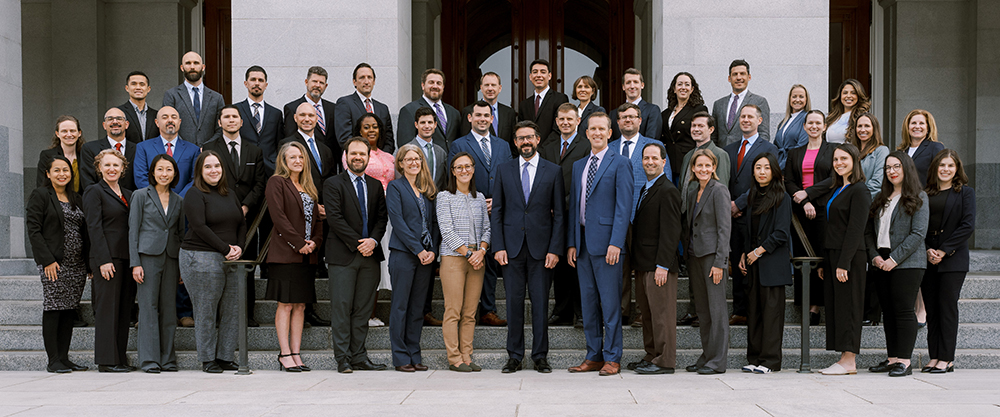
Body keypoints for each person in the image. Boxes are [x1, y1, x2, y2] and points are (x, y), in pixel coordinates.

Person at [492, 121, 565, 374]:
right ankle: (514, 356)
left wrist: (555, 249)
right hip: (510, 250)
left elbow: (559, 216)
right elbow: (498, 212)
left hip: (542, 251)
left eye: (530, 138)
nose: (525, 142)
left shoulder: (553, 171)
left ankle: (540, 356)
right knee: (513, 304)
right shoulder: (504, 170)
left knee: (541, 304)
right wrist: (498, 246)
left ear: (538, 139)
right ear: (515, 142)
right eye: (521, 138)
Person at [566, 112, 633, 377]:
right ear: (586, 133)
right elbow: (575, 207)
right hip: (582, 245)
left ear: (610, 132)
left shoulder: (621, 163)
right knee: (588, 303)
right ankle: (593, 355)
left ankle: (613, 357)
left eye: (601, 129)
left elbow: (623, 206)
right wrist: (572, 242)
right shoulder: (579, 165)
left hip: (608, 247)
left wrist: (616, 242)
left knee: (610, 303)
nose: (596, 133)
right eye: (592, 129)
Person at [178, 150, 247, 373]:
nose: (213, 170)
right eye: (207, 167)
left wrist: (239, 248)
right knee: (206, 309)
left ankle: (225, 356)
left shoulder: (230, 194)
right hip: (201, 257)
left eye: (217, 166)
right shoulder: (194, 193)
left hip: (231, 258)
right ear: (199, 171)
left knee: (232, 309)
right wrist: (225, 248)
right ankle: (208, 359)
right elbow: (198, 226)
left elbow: (241, 224)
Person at [324, 137, 389, 373]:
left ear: (368, 157)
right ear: (346, 157)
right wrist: (358, 243)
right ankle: (342, 358)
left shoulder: (374, 185)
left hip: (370, 256)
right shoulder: (333, 184)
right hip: (343, 255)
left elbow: (382, 218)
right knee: (342, 308)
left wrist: (372, 241)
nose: (358, 157)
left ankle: (359, 356)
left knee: (362, 309)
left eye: (362, 154)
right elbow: (334, 218)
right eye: (354, 154)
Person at [448, 100, 514, 327]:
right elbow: (455, 177)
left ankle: (488, 310)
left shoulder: (503, 146)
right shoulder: (458, 144)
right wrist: (472, 201)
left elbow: (509, 176)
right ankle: (470, 310)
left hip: (497, 210)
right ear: (470, 118)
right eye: (478, 115)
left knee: (491, 261)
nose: (483, 119)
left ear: (492, 118)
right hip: (469, 210)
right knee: (472, 261)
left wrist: (499, 201)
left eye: (486, 115)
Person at [202, 105, 268, 327]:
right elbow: (206, 181)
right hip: (218, 218)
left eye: (235, 117)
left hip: (247, 218)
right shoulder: (209, 148)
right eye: (226, 117)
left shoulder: (254, 150)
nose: (231, 120)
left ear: (241, 122)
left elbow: (260, 183)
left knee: (245, 267)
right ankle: (221, 316)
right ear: (219, 122)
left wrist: (247, 205)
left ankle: (247, 314)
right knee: (220, 267)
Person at [865, 152, 928, 377]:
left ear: (906, 169)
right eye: (888, 168)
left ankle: (905, 360)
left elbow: (918, 234)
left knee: (902, 310)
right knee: (888, 312)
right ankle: (892, 359)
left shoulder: (918, 196)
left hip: (908, 262)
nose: (891, 171)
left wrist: (894, 259)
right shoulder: (881, 198)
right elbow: (869, 232)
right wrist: (874, 257)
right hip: (881, 261)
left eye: (896, 166)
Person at [27, 156, 89, 373]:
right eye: (57, 170)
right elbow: (34, 230)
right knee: (54, 308)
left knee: (69, 309)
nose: (62, 174)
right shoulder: (41, 195)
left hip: (77, 265)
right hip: (54, 264)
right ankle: (53, 360)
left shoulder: (76, 198)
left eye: (66, 170)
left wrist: (88, 264)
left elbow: (84, 231)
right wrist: (47, 260)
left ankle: (64, 357)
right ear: (48, 174)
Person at [265, 142, 324, 373]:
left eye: (301, 156)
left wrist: (314, 243)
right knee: (286, 305)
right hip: (285, 254)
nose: (298, 160)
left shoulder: (309, 186)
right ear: (284, 160)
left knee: (300, 305)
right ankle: (284, 353)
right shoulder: (277, 182)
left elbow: (318, 221)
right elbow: (278, 217)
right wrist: (299, 243)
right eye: (293, 157)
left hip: (307, 256)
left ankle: (296, 353)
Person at [628, 142, 682, 375]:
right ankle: (651, 355)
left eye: (654, 158)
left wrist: (662, 265)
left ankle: (665, 360)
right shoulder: (646, 188)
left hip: (658, 266)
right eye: (646, 158)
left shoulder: (668, 190)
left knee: (662, 315)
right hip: (643, 263)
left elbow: (671, 232)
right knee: (648, 313)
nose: (650, 162)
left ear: (664, 161)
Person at [282, 102, 336, 328]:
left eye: (311, 115)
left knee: (312, 265)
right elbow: (288, 179)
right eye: (302, 115)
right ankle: (303, 312)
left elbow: (329, 179)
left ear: (317, 119)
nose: (307, 119)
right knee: (301, 267)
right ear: (295, 118)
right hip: (299, 215)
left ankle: (309, 311)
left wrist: (326, 206)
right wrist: (313, 207)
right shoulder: (287, 145)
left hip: (321, 213)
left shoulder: (324, 147)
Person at [128, 154, 184, 373]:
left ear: (175, 174)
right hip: (147, 257)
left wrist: (180, 265)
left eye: (169, 170)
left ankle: (168, 359)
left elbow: (179, 234)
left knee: (169, 309)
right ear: (152, 172)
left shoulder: (179, 200)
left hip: (170, 257)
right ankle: (150, 360)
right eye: (160, 170)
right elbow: (133, 230)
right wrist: (135, 263)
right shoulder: (140, 195)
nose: (164, 174)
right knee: (148, 309)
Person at [819, 143, 871, 376]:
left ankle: (850, 360)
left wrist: (844, 262)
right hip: (833, 255)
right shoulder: (837, 188)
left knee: (849, 306)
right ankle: (843, 358)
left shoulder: (860, 189)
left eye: (844, 159)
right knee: (838, 306)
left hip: (849, 257)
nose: (839, 163)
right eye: (836, 159)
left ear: (854, 161)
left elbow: (856, 229)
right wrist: (824, 261)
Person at [921, 149, 975, 373]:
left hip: (953, 258)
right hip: (927, 255)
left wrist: (943, 251)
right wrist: (926, 250)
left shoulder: (965, 193)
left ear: (956, 170)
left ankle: (947, 358)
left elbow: (967, 225)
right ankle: (934, 356)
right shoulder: (925, 193)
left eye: (950, 166)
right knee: (931, 309)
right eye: (942, 165)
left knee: (947, 307)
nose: (945, 169)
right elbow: (919, 225)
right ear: (935, 168)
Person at [386, 144, 439, 372]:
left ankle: (414, 354)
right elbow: (399, 223)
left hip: (426, 258)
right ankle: (400, 357)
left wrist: (433, 250)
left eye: (417, 158)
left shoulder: (428, 190)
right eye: (408, 159)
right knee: (400, 306)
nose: (413, 162)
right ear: (400, 163)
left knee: (417, 308)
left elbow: (434, 225)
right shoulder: (395, 188)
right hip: (404, 255)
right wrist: (418, 250)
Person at [436, 152, 491, 372]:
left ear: (473, 169)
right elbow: (446, 231)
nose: (464, 171)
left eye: (468, 166)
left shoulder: (480, 197)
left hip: (478, 259)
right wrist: (469, 254)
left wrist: (482, 251)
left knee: (470, 312)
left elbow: (487, 228)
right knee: (453, 310)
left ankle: (467, 355)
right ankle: (454, 358)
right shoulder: (444, 197)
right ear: (452, 171)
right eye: (459, 167)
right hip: (454, 259)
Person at [724, 104, 778, 326]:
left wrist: (740, 204)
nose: (745, 120)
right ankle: (739, 309)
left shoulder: (770, 149)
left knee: (752, 263)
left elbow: (766, 181)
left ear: (760, 121)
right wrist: (729, 205)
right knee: (737, 261)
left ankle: (755, 308)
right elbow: (725, 180)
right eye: (742, 116)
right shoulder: (729, 149)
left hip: (755, 213)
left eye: (750, 117)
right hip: (732, 216)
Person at [738, 152, 792, 374]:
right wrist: (744, 253)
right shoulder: (752, 196)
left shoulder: (782, 197)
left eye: (766, 168)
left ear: (774, 171)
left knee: (771, 315)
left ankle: (770, 361)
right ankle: (755, 358)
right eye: (758, 167)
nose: (761, 171)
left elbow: (781, 233)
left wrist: (758, 251)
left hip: (771, 264)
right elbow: (748, 231)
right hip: (753, 264)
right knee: (755, 312)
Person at [82, 149, 135, 372]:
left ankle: (119, 357)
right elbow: (93, 227)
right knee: (107, 310)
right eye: (107, 165)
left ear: (123, 168)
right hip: (107, 259)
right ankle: (106, 360)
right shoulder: (94, 192)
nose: (111, 169)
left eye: (116, 165)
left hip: (126, 258)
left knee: (124, 310)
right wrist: (102, 260)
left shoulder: (129, 194)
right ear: (99, 168)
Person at [609, 102, 662, 326]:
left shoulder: (654, 146)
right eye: (623, 117)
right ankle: (622, 310)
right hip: (616, 217)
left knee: (642, 266)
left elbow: (662, 182)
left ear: (640, 121)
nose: (628, 120)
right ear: (617, 122)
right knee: (619, 266)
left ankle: (642, 310)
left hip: (644, 217)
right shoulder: (608, 149)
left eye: (632, 117)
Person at [677, 112, 731, 327]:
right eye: (693, 125)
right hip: (689, 218)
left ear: (711, 129)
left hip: (708, 222)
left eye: (700, 125)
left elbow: (721, 187)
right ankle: (695, 309)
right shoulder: (689, 155)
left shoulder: (719, 154)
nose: (696, 129)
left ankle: (702, 313)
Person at [540, 103, 591, 328]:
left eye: (570, 119)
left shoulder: (587, 146)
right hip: (552, 217)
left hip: (577, 214)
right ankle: (561, 311)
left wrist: (563, 204)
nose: (565, 123)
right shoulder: (548, 148)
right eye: (561, 119)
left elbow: (587, 183)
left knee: (578, 264)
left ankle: (581, 313)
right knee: (559, 266)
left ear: (578, 121)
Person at [343, 113, 396, 327]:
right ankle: (363, 314)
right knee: (369, 263)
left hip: (388, 216)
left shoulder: (389, 156)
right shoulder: (354, 155)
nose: (371, 130)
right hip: (366, 214)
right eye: (366, 127)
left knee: (384, 267)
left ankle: (375, 313)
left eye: (375, 126)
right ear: (359, 131)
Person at [682, 150, 731, 375]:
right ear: (693, 168)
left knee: (717, 310)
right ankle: (707, 356)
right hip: (695, 256)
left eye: (707, 165)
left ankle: (717, 361)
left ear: (714, 167)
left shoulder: (719, 190)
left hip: (712, 258)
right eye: (698, 165)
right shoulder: (694, 193)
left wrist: (720, 262)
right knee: (702, 311)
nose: (703, 169)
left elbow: (724, 229)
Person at [784, 110, 835, 325]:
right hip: (800, 212)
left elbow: (835, 178)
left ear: (824, 127)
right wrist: (804, 202)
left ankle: (821, 304)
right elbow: (788, 180)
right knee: (804, 257)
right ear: (804, 126)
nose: (814, 126)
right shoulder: (795, 153)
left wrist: (810, 194)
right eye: (810, 123)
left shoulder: (833, 150)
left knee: (822, 256)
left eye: (818, 123)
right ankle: (807, 305)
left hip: (824, 210)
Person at [850, 112, 890, 326]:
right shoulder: (853, 151)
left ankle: (873, 313)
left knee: (872, 257)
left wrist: (854, 199)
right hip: (854, 211)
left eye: (867, 126)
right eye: (859, 126)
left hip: (870, 209)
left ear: (874, 128)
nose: (862, 130)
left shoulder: (881, 151)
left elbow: (877, 183)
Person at [133, 106, 200, 197]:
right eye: (165, 117)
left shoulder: (193, 150)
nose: (170, 120)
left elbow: (195, 179)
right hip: (152, 203)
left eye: (174, 117)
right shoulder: (143, 147)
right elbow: (140, 178)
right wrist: (158, 198)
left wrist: (178, 200)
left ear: (179, 122)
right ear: (157, 123)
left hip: (183, 203)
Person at [162, 51, 225, 146]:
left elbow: (221, 128)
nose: (192, 67)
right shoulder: (171, 95)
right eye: (188, 63)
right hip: (181, 151)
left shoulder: (217, 97)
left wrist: (207, 147)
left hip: (209, 152)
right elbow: (167, 125)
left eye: (196, 63)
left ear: (203, 67)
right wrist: (186, 147)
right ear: (182, 68)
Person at [334, 63, 395, 153]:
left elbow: (389, 140)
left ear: (374, 81)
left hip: (381, 163)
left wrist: (381, 157)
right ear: (354, 82)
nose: (366, 81)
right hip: (356, 161)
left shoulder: (383, 108)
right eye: (362, 78)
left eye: (369, 77)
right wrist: (367, 157)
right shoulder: (345, 103)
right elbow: (345, 139)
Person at [396, 69, 460, 151]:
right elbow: (405, 145)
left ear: (443, 87)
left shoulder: (454, 113)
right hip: (425, 161)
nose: (435, 86)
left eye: (439, 83)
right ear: (423, 85)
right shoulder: (409, 110)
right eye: (431, 82)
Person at [235, 65, 284, 172]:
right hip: (243, 168)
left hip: (271, 169)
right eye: (253, 79)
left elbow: (279, 143)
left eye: (260, 80)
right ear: (246, 83)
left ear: (266, 85)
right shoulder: (236, 110)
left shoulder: (276, 113)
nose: (257, 83)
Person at [711, 59, 771, 147]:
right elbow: (714, 135)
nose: (739, 78)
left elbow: (763, 134)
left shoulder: (760, 101)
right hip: (722, 157)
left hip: (746, 155)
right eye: (735, 74)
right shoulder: (718, 104)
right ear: (729, 78)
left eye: (742, 74)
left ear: (749, 77)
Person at [661, 72, 708, 180]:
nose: (683, 87)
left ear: (692, 89)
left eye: (687, 84)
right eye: (680, 84)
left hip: (687, 162)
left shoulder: (698, 109)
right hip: (668, 164)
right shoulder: (665, 113)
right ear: (674, 88)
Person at [459, 72, 517, 156]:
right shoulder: (469, 111)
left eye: (493, 85)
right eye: (486, 85)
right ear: (481, 88)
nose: (490, 88)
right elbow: (465, 142)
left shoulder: (509, 113)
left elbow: (513, 144)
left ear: (500, 88)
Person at [283, 66, 339, 152]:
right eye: (314, 81)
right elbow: (291, 140)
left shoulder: (333, 108)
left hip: (331, 161)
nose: (317, 85)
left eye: (321, 82)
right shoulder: (292, 108)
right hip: (306, 160)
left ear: (326, 86)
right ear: (306, 82)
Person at [80, 108, 137, 191]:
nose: (115, 122)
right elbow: (88, 181)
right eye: (110, 119)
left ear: (126, 124)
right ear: (104, 125)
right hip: (101, 200)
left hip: (132, 200)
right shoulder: (89, 149)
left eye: (119, 119)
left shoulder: (138, 149)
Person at [518, 59, 570, 147]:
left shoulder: (560, 99)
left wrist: (542, 149)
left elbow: (558, 128)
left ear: (549, 76)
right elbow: (521, 130)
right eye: (535, 72)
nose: (538, 75)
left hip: (551, 152)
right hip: (529, 152)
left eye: (543, 72)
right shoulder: (524, 104)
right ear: (530, 77)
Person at [610, 68, 663, 140]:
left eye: (635, 82)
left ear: (642, 85)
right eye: (628, 82)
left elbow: (651, 140)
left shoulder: (652, 110)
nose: (632, 86)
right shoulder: (613, 114)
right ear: (623, 87)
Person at [37, 116, 85, 193]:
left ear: (79, 133)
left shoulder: (85, 156)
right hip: (54, 203)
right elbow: (42, 184)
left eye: (72, 131)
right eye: (64, 131)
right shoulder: (47, 156)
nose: (69, 134)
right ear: (57, 134)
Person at [899, 109, 946, 187]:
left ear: (928, 128)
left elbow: (941, 175)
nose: (917, 127)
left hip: (926, 196)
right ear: (907, 127)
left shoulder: (935, 147)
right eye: (913, 123)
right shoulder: (901, 151)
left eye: (921, 123)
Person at [405, 107, 448, 191]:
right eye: (423, 122)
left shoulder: (441, 152)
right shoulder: (406, 150)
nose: (427, 126)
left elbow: (443, 182)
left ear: (435, 125)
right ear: (416, 125)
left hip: (436, 200)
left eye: (430, 122)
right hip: (415, 199)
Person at [773, 84, 811, 168]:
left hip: (792, 166)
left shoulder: (807, 118)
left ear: (806, 99)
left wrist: (782, 166)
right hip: (778, 165)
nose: (797, 100)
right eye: (794, 96)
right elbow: (775, 146)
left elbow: (800, 147)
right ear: (790, 99)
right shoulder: (784, 121)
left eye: (801, 96)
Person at [118, 71, 159, 143]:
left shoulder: (156, 115)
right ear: (127, 88)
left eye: (142, 84)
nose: (138, 87)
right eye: (133, 84)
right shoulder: (119, 112)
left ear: (148, 89)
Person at [824, 79, 870, 144]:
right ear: (840, 96)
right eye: (845, 93)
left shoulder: (863, 117)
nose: (848, 96)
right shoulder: (832, 117)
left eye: (853, 93)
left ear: (859, 96)